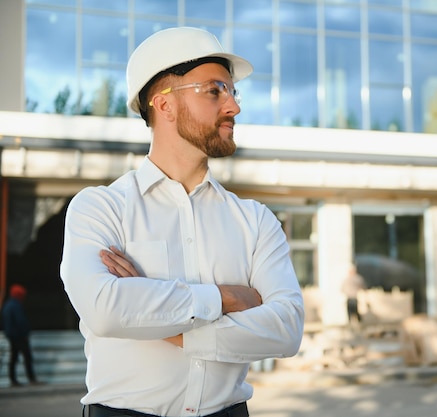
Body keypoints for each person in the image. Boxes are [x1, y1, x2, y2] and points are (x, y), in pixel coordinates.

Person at [60, 27, 304, 417]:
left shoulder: (255, 220)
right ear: (164, 104)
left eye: (232, 92)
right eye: (214, 90)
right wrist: (224, 298)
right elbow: (106, 309)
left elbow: (287, 329)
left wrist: (160, 318)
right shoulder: (100, 208)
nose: (233, 107)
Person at [1, 284, 38, 387]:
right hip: (19, 336)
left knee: (14, 357)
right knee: (27, 357)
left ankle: (13, 380)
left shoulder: (7, 305)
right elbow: (20, 321)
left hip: (12, 336)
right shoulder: (16, 306)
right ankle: (31, 379)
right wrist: (26, 332)